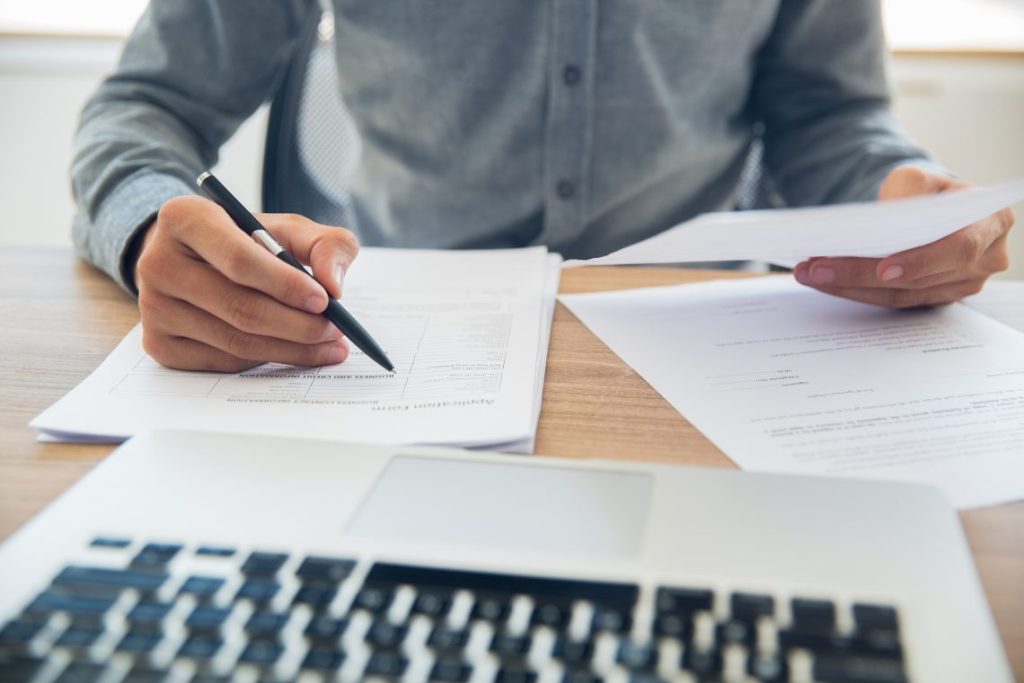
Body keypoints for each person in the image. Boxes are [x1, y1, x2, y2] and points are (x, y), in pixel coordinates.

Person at [71, 1, 1015, 372]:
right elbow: (144, 106)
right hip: (399, 345)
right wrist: (151, 224)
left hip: (709, 349)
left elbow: (828, 114)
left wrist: (898, 197)